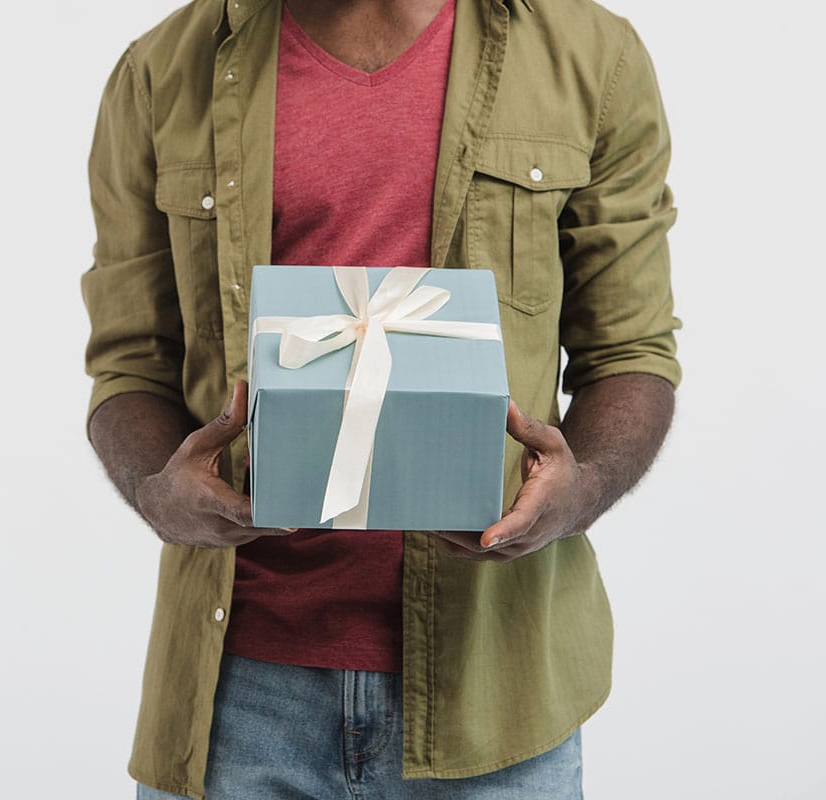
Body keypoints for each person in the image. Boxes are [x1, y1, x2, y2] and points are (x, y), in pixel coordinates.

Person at [80, 0, 681, 797]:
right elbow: (128, 365)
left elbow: (631, 350)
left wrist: (582, 489)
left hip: (497, 690)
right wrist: (159, 492)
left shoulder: (590, 58)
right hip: (238, 701)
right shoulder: (159, 73)